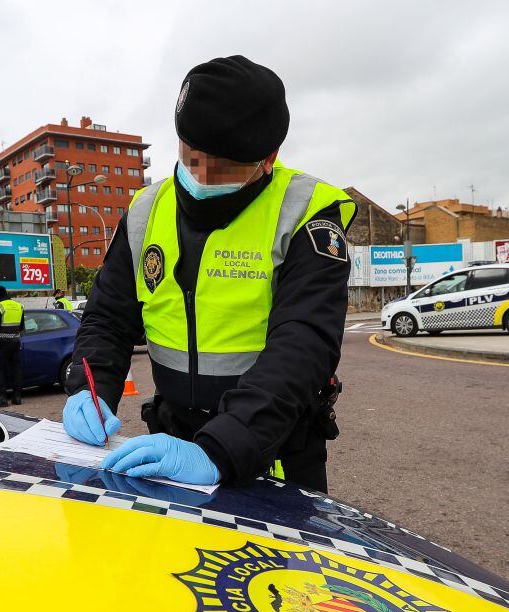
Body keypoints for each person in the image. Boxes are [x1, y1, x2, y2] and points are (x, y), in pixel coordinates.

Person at [62, 56, 355, 492]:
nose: (200, 176)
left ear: (268, 159)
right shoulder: (146, 210)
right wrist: (91, 387)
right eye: (191, 156)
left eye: (222, 167)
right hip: (171, 442)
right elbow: (107, 317)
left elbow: (304, 342)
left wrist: (223, 447)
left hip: (271, 450)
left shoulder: (305, 213)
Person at [0, 286, 24, 407]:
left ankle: (2, 399)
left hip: (1, 345)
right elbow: (21, 327)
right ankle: (17, 397)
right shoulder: (19, 306)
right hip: (15, 343)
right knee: (16, 369)